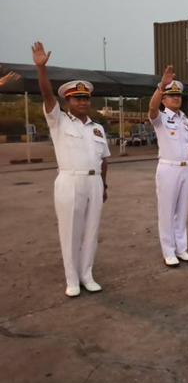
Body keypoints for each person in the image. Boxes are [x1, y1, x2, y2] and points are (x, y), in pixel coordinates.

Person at [32, 41, 110, 297]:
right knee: (70, 232)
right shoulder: (59, 121)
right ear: (67, 101)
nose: (82, 102)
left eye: (85, 98)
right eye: (77, 98)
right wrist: (41, 69)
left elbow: (104, 159)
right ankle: (72, 278)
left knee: (91, 231)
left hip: (94, 182)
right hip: (70, 181)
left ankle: (87, 274)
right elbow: (46, 95)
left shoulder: (97, 128)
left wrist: (104, 185)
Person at [148, 66, 188, 267]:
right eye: (171, 95)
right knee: (167, 212)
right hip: (168, 168)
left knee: (182, 211)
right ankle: (168, 251)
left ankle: (181, 249)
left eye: (178, 95)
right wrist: (161, 85)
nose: (176, 98)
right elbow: (152, 109)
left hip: (186, 168)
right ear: (164, 99)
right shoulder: (160, 118)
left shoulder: (185, 121)